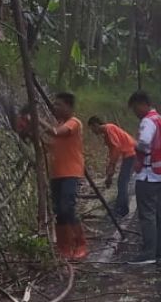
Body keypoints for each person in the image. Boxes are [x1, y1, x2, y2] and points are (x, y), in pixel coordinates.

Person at [127, 91, 161, 266]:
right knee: (160, 213)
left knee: (147, 214)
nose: (135, 113)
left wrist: (132, 142)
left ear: (142, 104)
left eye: (135, 109)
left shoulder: (148, 121)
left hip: (149, 174)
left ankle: (148, 253)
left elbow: (145, 142)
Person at [40, 92, 87, 261]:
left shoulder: (73, 123)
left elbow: (55, 132)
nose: (55, 107)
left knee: (68, 207)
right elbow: (50, 146)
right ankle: (64, 246)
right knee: (59, 210)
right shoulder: (60, 124)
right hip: (57, 173)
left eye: (59, 104)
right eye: (55, 104)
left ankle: (80, 243)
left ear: (69, 106)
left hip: (71, 172)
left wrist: (37, 119)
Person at [87, 116, 137, 218]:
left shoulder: (108, 129)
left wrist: (112, 165)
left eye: (92, 128)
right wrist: (109, 170)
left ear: (95, 125)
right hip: (130, 154)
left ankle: (121, 210)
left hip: (132, 153)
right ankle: (120, 207)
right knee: (122, 182)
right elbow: (112, 151)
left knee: (122, 182)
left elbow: (117, 147)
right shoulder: (106, 133)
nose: (92, 131)